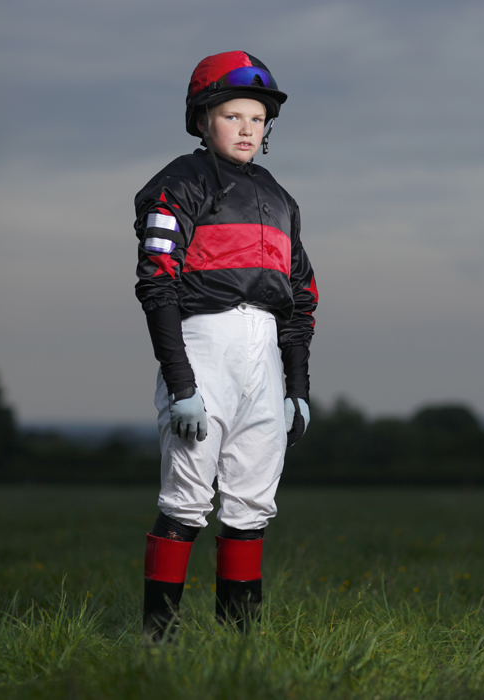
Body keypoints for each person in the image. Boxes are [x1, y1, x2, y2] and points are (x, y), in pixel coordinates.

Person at [134, 51, 318, 639]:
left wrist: (297, 388)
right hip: (203, 345)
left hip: (264, 356)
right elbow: (157, 284)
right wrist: (182, 383)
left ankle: (238, 647)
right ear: (202, 118)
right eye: (233, 115)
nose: (246, 129)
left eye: (257, 119)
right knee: (186, 498)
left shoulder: (282, 201)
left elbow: (300, 301)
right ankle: (158, 642)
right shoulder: (178, 184)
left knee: (251, 502)